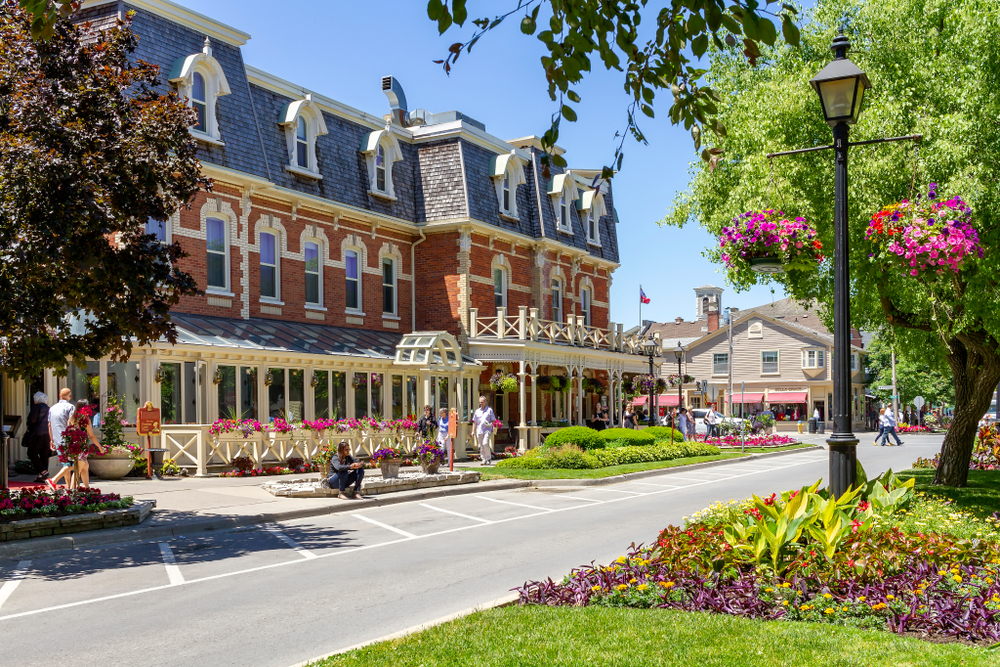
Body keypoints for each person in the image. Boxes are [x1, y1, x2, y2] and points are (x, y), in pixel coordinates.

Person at [66, 400, 104, 489]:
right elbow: (91, 435)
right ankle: (72, 492)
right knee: (77, 470)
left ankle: (87, 488)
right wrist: (99, 447)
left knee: (85, 467)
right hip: (81, 447)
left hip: (73, 445)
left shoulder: (71, 418)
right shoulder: (85, 420)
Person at [47, 388, 76, 490]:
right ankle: (53, 480)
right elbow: (71, 423)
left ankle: (68, 487)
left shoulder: (52, 408)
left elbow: (49, 425)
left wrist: (51, 440)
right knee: (73, 464)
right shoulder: (70, 407)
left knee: (65, 464)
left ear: (59, 396)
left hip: (57, 439)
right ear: (69, 396)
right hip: (67, 439)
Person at [24, 392, 51, 483]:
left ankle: (43, 472)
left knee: (31, 453)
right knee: (44, 455)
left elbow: (32, 419)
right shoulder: (48, 408)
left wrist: (28, 424)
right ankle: (43, 477)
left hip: (37, 434)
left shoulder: (36, 407)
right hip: (48, 434)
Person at [471, 396, 496, 465]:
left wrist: (490, 425)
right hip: (479, 430)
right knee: (481, 446)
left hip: (487, 430)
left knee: (485, 443)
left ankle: (488, 458)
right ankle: (483, 459)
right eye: (480, 402)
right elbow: (474, 422)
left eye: (482, 402)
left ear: (485, 402)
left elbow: (493, 421)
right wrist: (473, 431)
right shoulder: (477, 411)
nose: (480, 404)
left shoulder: (489, 410)